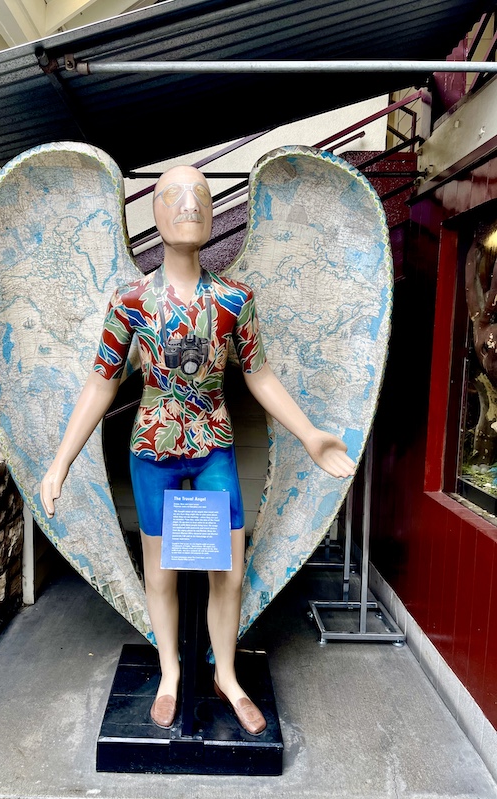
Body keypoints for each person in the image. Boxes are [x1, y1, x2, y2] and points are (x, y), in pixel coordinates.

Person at [40, 165, 355, 735]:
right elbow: (102, 381)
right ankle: (169, 672)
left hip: (213, 445)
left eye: (201, 196)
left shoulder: (236, 301)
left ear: (213, 212)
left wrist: (309, 433)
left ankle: (226, 675)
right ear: (153, 213)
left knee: (226, 570)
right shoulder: (131, 300)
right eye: (174, 196)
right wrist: (62, 458)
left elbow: (260, 375)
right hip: (153, 446)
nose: (190, 204)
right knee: (159, 572)